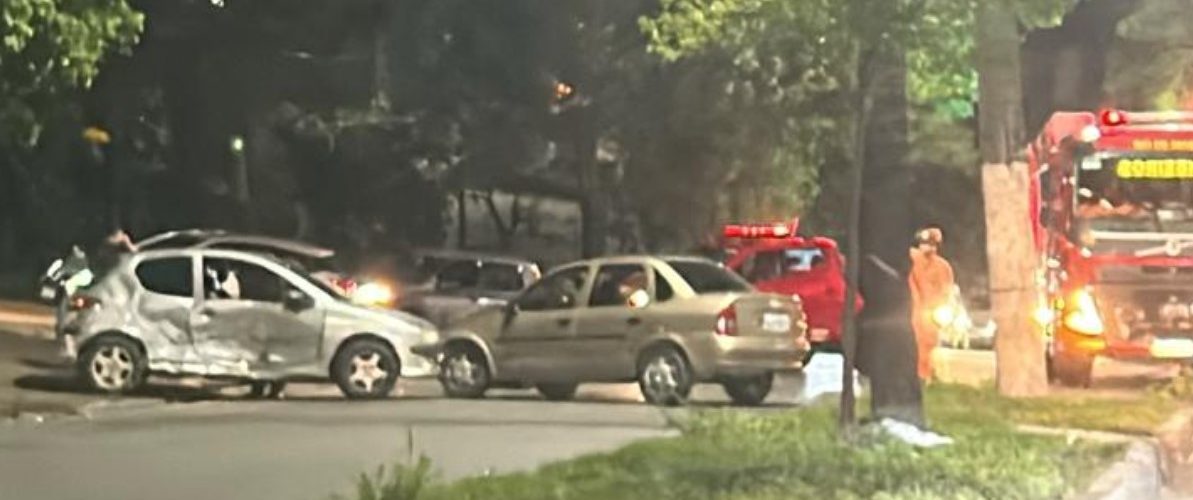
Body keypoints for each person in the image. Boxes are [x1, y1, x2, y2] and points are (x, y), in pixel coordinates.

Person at [908, 226, 955, 382]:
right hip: (912, 313)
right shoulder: (910, 261)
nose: (929, 247)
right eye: (925, 243)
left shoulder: (943, 267)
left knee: (929, 346)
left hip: (931, 316)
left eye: (933, 244)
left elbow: (946, 291)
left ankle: (925, 377)